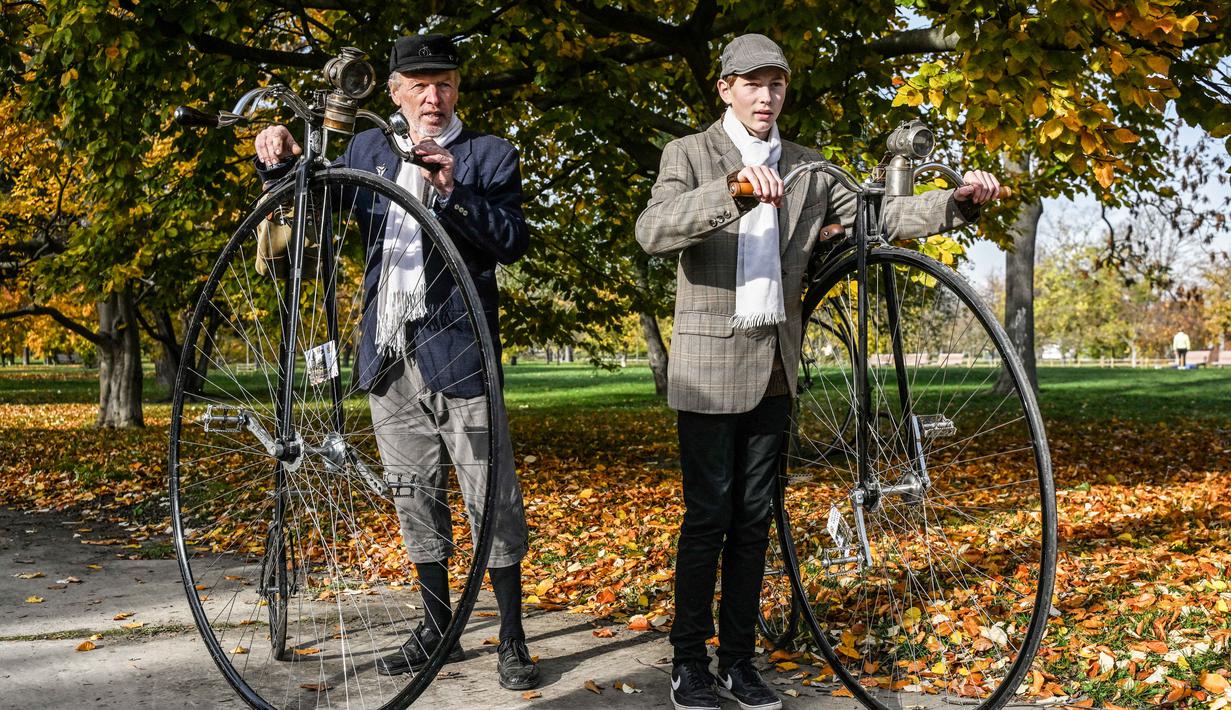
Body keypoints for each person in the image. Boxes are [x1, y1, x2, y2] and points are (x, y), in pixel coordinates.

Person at [635, 33, 1002, 710]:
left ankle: (739, 663)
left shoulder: (809, 167)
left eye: (775, 84)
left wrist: (957, 203)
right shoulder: (688, 154)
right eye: (750, 83)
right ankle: (690, 665)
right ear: (725, 89)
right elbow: (653, 230)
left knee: (754, 518)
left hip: (774, 365)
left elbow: (882, 217)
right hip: (708, 366)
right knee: (706, 516)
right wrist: (735, 190)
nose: (764, 96)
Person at [252, 33, 539, 691]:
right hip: (387, 352)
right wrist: (281, 161)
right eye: (417, 85)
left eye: (443, 83)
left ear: (458, 88)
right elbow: (316, 214)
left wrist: (450, 190)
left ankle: (513, 637)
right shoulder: (368, 150)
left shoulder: (488, 154)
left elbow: (510, 243)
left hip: (460, 353)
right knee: (414, 496)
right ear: (394, 93)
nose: (431, 97)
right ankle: (437, 627)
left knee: (490, 498)